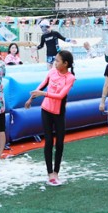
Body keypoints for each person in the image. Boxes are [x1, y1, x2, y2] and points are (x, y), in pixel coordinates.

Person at [25, 49, 76, 186]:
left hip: (58, 112)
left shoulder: (70, 78)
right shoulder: (52, 72)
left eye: (58, 61)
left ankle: (56, 172)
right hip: (46, 110)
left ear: (65, 64)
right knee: (48, 141)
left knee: (59, 142)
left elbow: (60, 96)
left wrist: (43, 94)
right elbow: (41, 86)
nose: (55, 63)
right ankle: (50, 173)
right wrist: (31, 99)